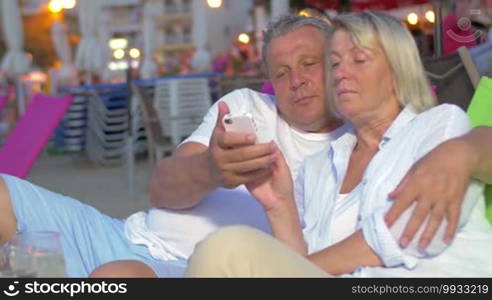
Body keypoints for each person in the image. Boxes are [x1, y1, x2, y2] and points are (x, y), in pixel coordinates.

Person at [0, 15, 491, 278]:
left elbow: (374, 245)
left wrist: (464, 149)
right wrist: (215, 171)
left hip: (192, 269)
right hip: (126, 232)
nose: (297, 81)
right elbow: (162, 187)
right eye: (281, 73)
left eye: (318, 63)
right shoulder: (280, 130)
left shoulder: (415, 132)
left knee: (150, 268)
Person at [185, 11, 492, 277]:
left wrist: (279, 274)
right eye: (334, 64)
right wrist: (280, 207)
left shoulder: (438, 126)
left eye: (359, 59)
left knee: (227, 250)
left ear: (398, 68)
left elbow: (410, 234)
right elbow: (304, 266)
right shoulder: (320, 166)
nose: (342, 73)